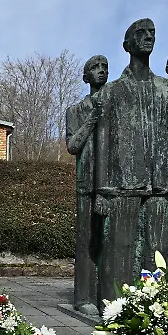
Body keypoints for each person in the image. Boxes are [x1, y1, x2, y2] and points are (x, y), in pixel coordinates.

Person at [93, 19, 168, 304]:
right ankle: (115, 306)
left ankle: (154, 307)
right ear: (127, 45)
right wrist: (101, 190)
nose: (148, 36)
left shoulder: (167, 89)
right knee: (119, 248)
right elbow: (103, 142)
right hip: (121, 185)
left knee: (157, 249)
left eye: (152, 33)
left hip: (160, 185)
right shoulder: (112, 91)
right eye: (141, 33)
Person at [65, 55, 108, 315]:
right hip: (87, 182)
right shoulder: (76, 110)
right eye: (95, 67)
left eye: (105, 67)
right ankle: (84, 296)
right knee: (87, 239)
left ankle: (108, 293)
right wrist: (93, 118)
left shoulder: (116, 106)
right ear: (85, 76)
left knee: (111, 242)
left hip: (115, 184)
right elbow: (73, 146)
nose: (101, 71)